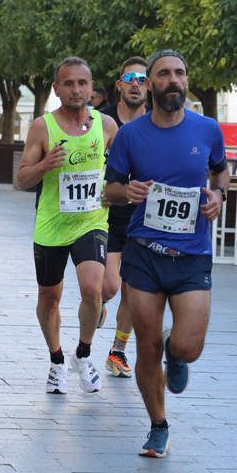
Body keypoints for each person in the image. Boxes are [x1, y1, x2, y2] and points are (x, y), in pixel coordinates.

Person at [104, 50, 228, 457]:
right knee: (146, 345)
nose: (173, 80)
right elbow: (109, 191)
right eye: (164, 74)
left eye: (180, 73)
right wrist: (128, 192)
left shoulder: (208, 129)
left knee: (188, 347)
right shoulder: (131, 135)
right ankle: (158, 424)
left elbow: (221, 170)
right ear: (151, 85)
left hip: (192, 253)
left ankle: (179, 351)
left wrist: (219, 196)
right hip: (144, 252)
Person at [16, 56, 118, 395]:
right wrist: (45, 165)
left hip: (92, 221)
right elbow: (21, 179)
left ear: (92, 88)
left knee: (94, 289)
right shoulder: (43, 127)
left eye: (82, 83)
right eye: (69, 83)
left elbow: (120, 171)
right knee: (49, 297)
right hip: (52, 226)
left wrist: (115, 189)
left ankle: (84, 353)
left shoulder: (106, 126)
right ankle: (57, 360)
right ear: (57, 89)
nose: (76, 89)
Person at [98, 56, 148, 378]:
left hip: (140, 218)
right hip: (103, 214)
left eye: (142, 79)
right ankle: (95, 304)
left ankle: (117, 351)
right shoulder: (101, 121)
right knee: (109, 287)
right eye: (129, 78)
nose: (135, 83)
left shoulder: (155, 125)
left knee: (132, 288)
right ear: (119, 84)